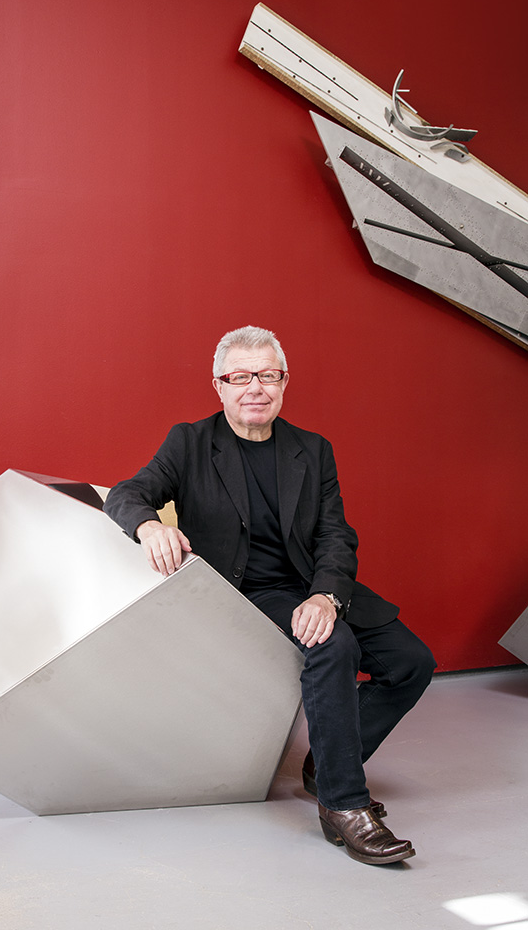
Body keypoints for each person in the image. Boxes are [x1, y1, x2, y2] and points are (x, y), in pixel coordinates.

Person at [104, 325, 435, 866]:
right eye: (240, 377)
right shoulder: (189, 442)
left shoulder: (313, 449)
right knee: (334, 646)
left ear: (284, 382)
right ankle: (343, 803)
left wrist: (326, 596)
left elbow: (335, 535)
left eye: (268, 375)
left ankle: (326, 765)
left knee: (411, 661)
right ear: (219, 385)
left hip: (312, 583)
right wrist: (148, 525)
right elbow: (126, 493)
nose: (255, 387)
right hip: (247, 592)